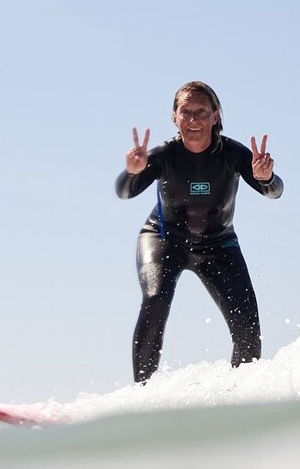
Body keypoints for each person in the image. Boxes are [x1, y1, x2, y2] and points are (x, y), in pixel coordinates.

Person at [115, 81, 284, 383]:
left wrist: (267, 178)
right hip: (163, 239)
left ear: (215, 116)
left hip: (219, 246)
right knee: (155, 300)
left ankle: (240, 394)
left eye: (201, 112)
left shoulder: (232, 154)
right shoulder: (164, 155)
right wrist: (133, 172)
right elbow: (125, 192)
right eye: (186, 112)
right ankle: (143, 394)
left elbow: (273, 192)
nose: (193, 120)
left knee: (248, 326)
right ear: (175, 117)